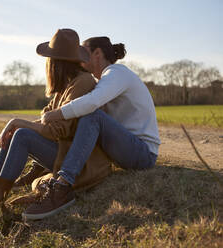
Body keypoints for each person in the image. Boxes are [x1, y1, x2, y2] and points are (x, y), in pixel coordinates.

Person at [0, 29, 112, 240]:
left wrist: (17, 123)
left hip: (80, 162)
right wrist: (14, 125)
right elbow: (46, 120)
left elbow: (55, 130)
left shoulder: (82, 83)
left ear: (54, 62)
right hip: (63, 150)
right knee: (18, 132)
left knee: (22, 134)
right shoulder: (67, 85)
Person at [22, 36, 161, 219]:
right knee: (85, 116)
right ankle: (43, 168)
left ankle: (63, 186)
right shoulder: (102, 81)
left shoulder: (116, 73)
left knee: (92, 114)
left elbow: (91, 103)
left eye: (83, 53)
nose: (78, 58)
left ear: (97, 54)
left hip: (143, 153)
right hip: (125, 149)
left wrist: (54, 114)